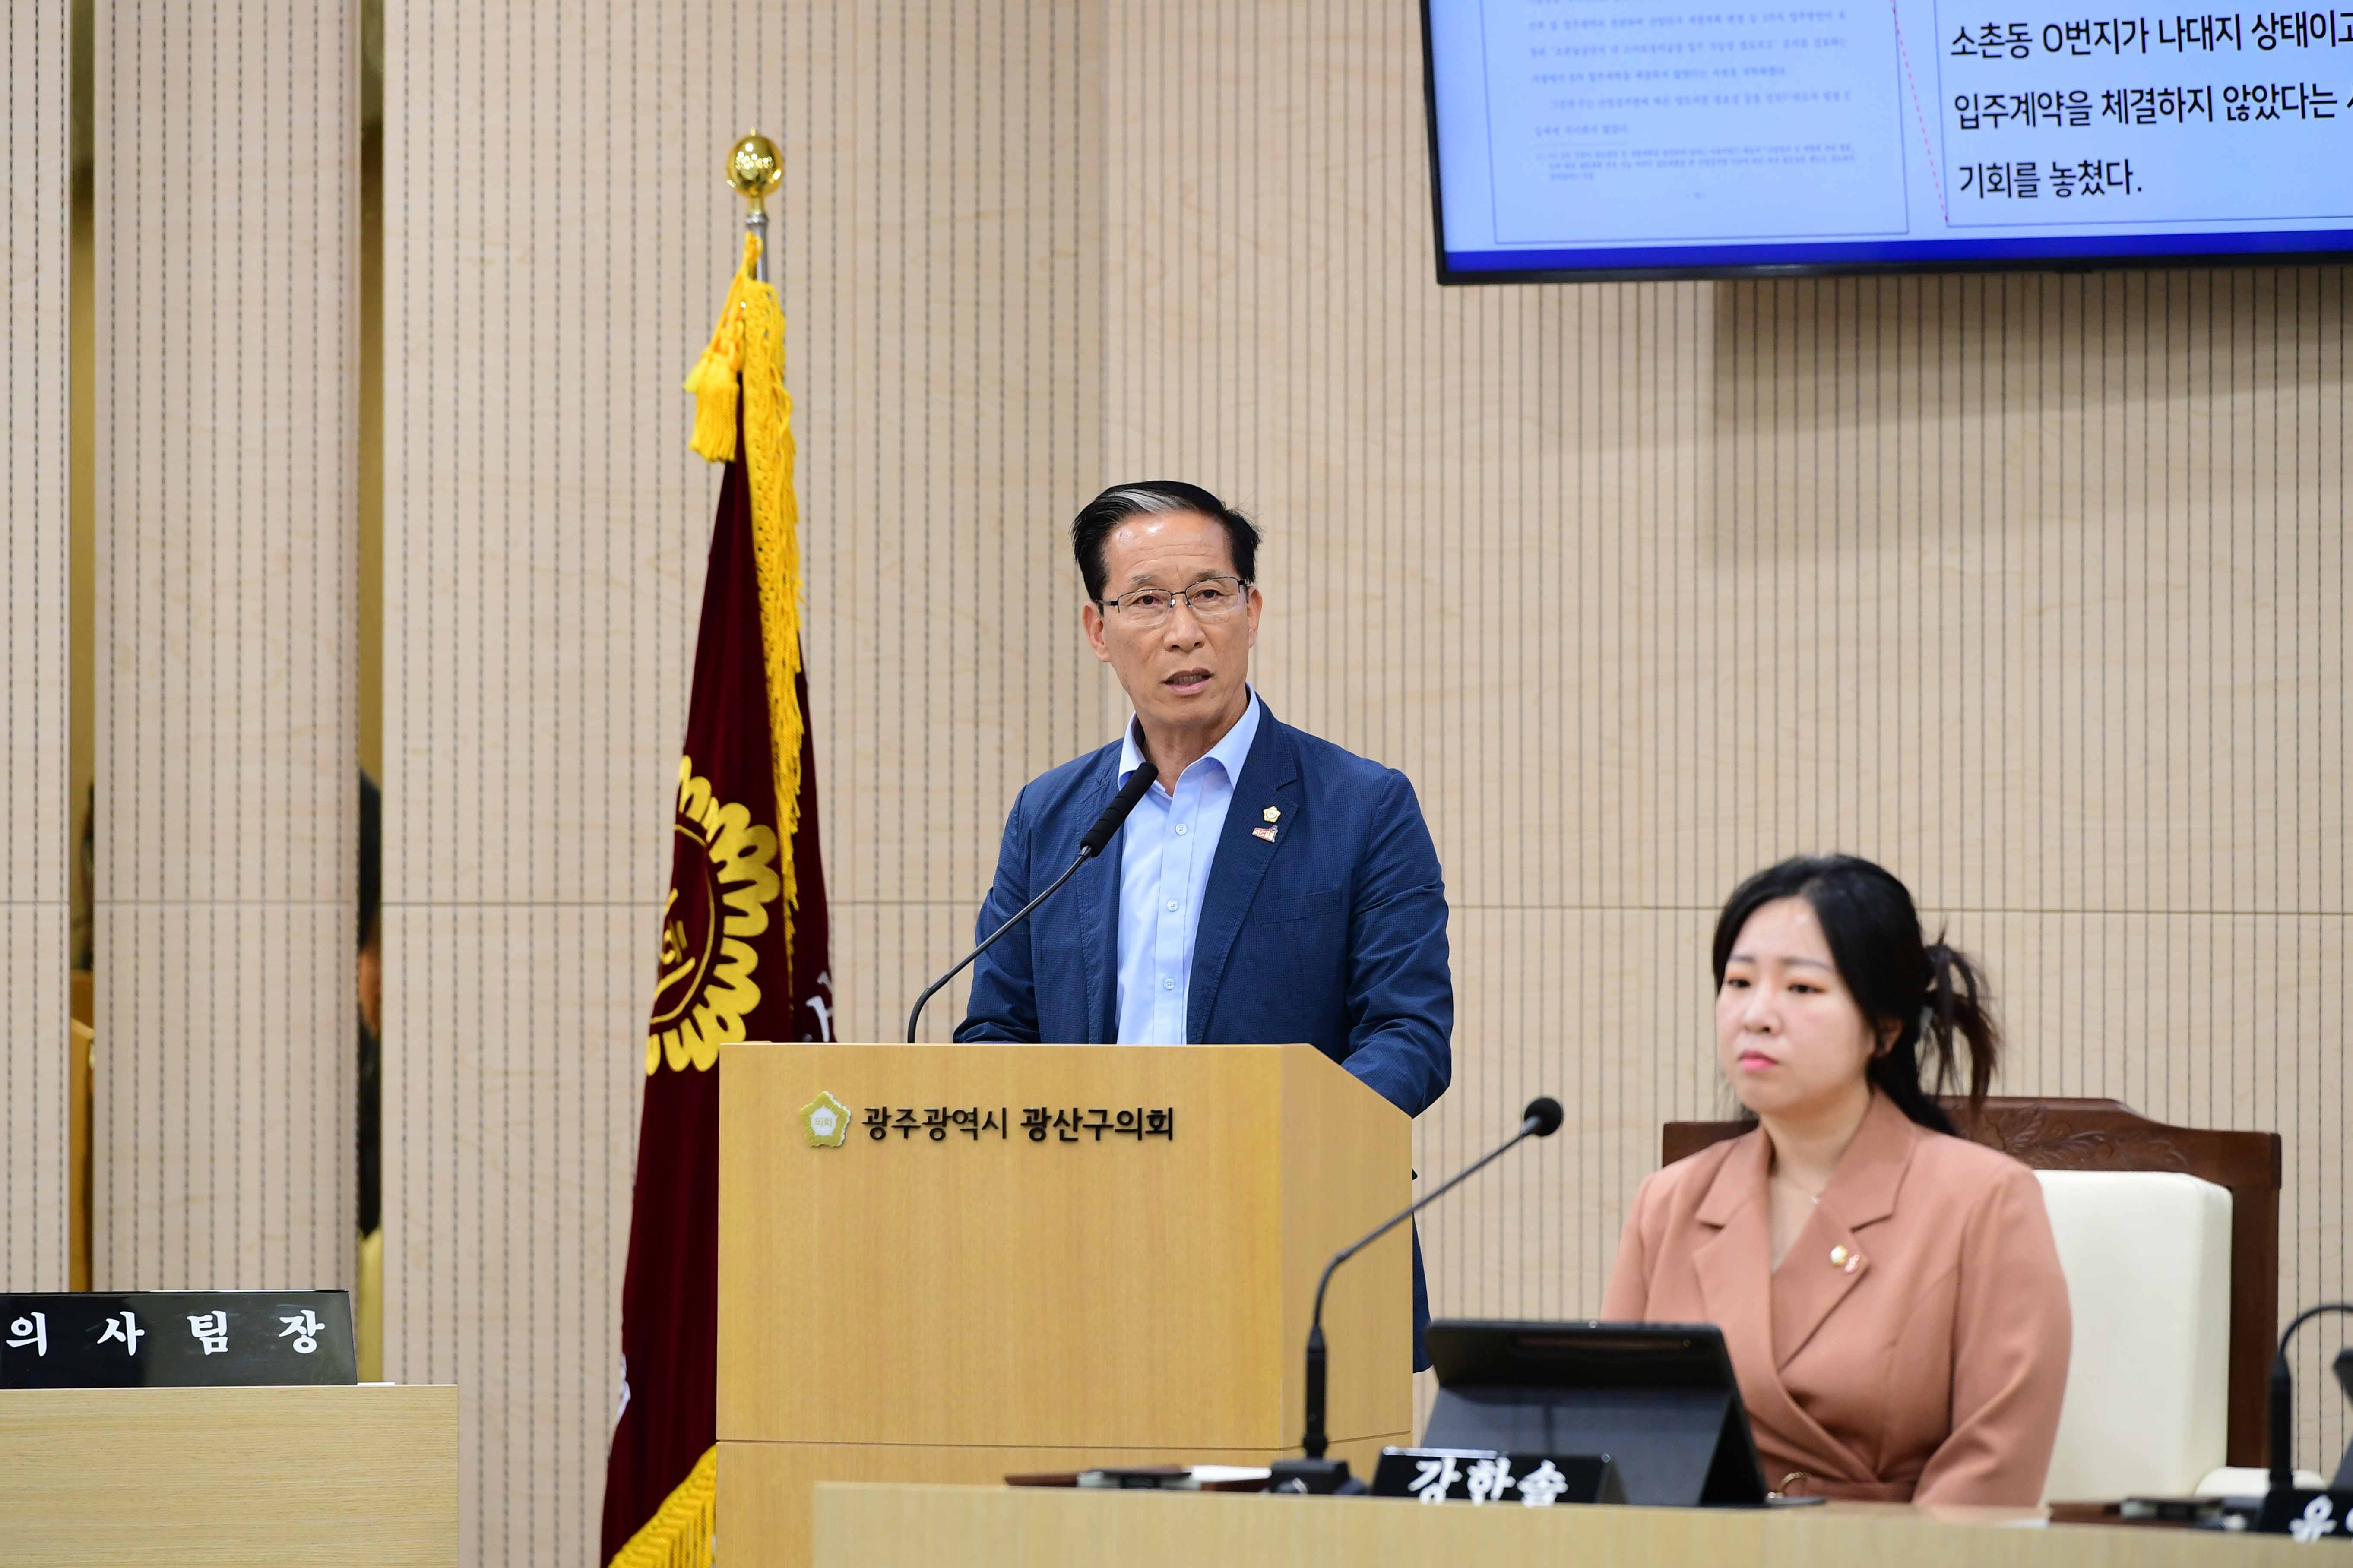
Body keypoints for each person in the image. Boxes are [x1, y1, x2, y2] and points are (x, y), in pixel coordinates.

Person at [957, 481, 1452, 1365]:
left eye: (1209, 595)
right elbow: (998, 1028)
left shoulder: (1360, 805)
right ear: (1098, 632)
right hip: (1078, 1248)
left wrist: (1270, 1144)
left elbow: (1408, 1034)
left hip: (1295, 1242)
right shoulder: (1053, 813)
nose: (1183, 630)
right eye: (1146, 601)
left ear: (1252, 610)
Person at [1602, 854, 2070, 1505]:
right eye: (1738, 983)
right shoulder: (1670, 1201)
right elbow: (1614, 1439)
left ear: (1883, 1028)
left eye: (1801, 989)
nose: (1756, 1015)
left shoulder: (1984, 1200)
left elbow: (1990, 1475)